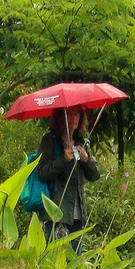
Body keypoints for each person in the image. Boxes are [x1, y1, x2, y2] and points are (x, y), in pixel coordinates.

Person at [33, 106, 100, 247]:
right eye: (69, 114)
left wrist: (86, 159)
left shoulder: (81, 143)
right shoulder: (50, 141)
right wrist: (63, 160)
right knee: (58, 263)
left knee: (75, 264)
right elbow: (41, 172)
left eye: (76, 114)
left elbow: (95, 175)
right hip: (56, 214)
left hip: (77, 216)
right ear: (60, 117)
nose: (73, 118)